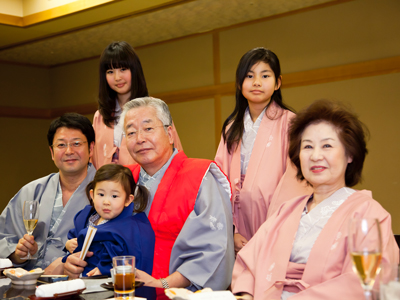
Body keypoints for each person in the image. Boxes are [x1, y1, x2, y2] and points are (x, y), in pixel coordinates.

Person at [231, 99, 399, 300]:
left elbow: (367, 283)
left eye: (327, 145)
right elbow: (248, 263)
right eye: (308, 147)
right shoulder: (286, 211)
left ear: (350, 155)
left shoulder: (369, 213)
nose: (316, 156)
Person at [64, 97, 235, 293]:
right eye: (130, 132)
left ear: (170, 133)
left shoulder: (201, 176)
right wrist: (76, 258)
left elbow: (215, 248)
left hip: (178, 294)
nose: (139, 138)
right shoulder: (122, 180)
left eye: (148, 129)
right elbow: (98, 231)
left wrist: (163, 284)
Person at [215, 47, 310, 253]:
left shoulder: (291, 123)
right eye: (249, 76)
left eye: (265, 75)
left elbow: (297, 180)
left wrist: (274, 226)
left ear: (277, 83)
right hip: (237, 223)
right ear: (240, 84)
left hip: (274, 221)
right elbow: (218, 179)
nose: (257, 82)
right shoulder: (231, 128)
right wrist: (231, 230)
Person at [0, 113, 96, 270]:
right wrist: (18, 254)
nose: (69, 151)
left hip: (80, 283)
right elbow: (4, 237)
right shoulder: (32, 191)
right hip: (29, 282)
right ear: (52, 153)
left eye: (76, 143)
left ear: (91, 148)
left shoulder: (107, 192)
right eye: (61, 145)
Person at [92, 41, 183, 169]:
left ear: (134, 70)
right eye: (110, 71)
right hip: (108, 187)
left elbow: (175, 152)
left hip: (146, 186)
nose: (117, 77)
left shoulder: (154, 108)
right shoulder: (100, 116)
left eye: (123, 69)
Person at [55, 164, 154, 278]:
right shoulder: (87, 216)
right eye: (101, 194)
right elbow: (74, 234)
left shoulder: (130, 227)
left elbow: (130, 256)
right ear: (92, 195)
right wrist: (69, 244)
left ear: (128, 200)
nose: (106, 201)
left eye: (114, 196)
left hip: (106, 282)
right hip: (79, 276)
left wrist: (105, 269)